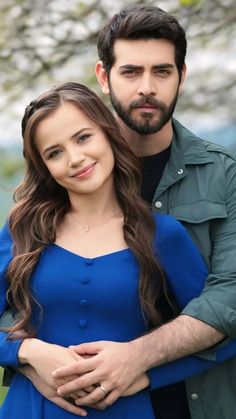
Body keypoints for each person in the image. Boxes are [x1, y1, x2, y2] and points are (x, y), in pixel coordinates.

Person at [43, 6, 236, 419]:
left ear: (181, 76)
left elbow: (231, 293)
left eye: (162, 72)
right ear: (103, 76)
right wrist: (29, 357)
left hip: (198, 400)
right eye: (131, 72)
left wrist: (137, 358)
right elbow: (17, 286)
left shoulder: (225, 174)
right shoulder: (73, 170)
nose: (147, 87)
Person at [0, 81, 235, 419]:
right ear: (44, 167)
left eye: (83, 138)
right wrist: (27, 352)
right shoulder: (24, 228)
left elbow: (223, 333)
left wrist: (145, 375)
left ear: (108, 133)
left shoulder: (162, 235)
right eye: (55, 152)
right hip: (29, 410)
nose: (75, 158)